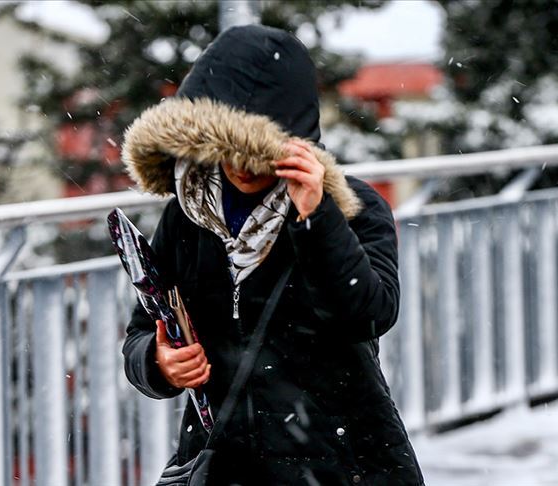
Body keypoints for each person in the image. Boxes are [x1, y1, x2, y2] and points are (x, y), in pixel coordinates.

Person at [121, 24, 424, 486]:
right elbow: (144, 328)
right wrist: (157, 363)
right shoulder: (187, 216)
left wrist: (316, 217)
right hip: (225, 463)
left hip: (341, 464)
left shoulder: (351, 210)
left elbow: (369, 314)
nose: (241, 166)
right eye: (227, 148)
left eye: (257, 150)